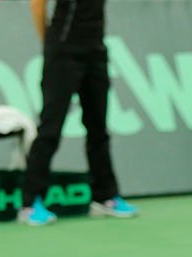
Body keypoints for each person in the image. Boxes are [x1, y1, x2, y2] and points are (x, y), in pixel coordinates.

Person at [18, 0, 139, 226]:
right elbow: (37, 4)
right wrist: (50, 43)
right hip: (63, 51)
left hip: (96, 50)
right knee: (50, 129)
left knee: (98, 128)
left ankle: (105, 197)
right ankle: (30, 202)